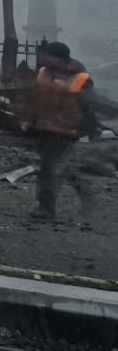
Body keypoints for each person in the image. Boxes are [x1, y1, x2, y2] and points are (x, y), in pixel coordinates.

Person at [25, 42, 101, 220]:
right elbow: (36, 99)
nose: (42, 58)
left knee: (49, 169)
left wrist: (91, 127)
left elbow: (89, 104)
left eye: (46, 55)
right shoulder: (43, 72)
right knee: (58, 166)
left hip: (67, 131)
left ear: (60, 59)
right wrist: (30, 122)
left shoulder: (80, 78)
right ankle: (85, 188)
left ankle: (45, 208)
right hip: (44, 128)